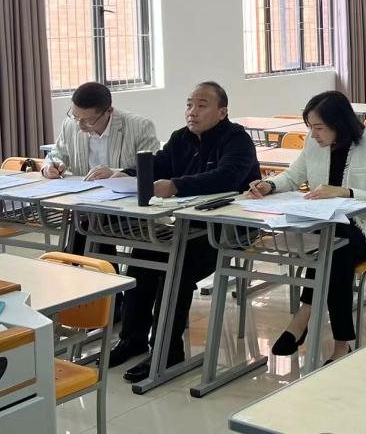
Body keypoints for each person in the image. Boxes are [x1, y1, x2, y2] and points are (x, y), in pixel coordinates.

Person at [110, 82, 260, 383]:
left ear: (222, 112)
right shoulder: (181, 138)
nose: (192, 112)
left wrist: (177, 185)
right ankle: (132, 339)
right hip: (187, 225)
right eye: (189, 105)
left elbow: (227, 178)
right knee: (143, 256)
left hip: (228, 229)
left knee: (175, 268)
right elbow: (158, 166)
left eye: (202, 106)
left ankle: (167, 349)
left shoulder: (237, 140)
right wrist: (124, 174)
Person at [245, 91, 366, 362]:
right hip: (327, 228)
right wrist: (269, 185)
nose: (313, 135)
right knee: (334, 247)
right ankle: (341, 344)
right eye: (311, 127)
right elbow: (294, 175)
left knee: (336, 247)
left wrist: (345, 192)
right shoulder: (314, 143)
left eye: (319, 128)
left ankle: (304, 317)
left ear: (339, 124)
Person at [43, 82, 157, 181]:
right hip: (82, 195)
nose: (79, 125)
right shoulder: (70, 124)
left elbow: (153, 168)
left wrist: (114, 173)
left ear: (109, 111)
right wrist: (50, 166)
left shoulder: (140, 127)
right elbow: (55, 155)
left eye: (88, 120)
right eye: (75, 116)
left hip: (124, 195)